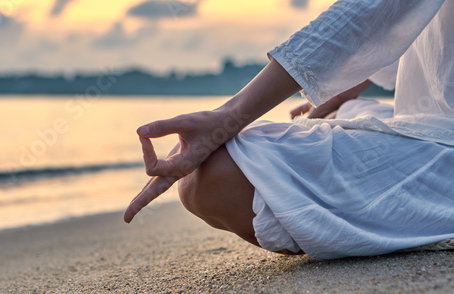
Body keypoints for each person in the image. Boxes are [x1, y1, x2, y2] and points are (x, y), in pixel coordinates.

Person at [124, 0, 454, 260]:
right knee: (345, 112)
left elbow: (369, 10)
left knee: (214, 175)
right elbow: (408, 23)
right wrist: (338, 95)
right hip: (425, 120)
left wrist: (228, 116)